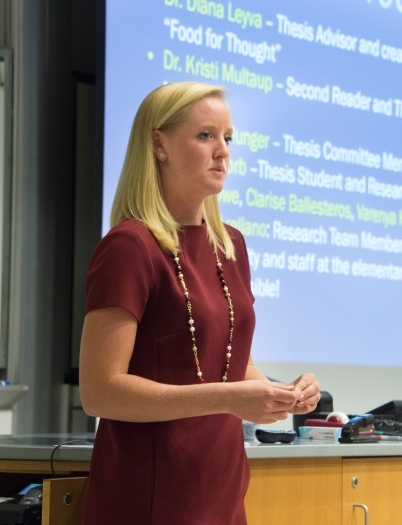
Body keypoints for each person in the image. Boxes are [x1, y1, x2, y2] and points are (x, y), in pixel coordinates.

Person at [79, 81, 321, 525]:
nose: (223, 151)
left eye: (227, 138)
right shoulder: (130, 246)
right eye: (206, 136)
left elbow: (230, 366)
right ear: (159, 145)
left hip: (221, 487)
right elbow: (99, 392)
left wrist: (281, 393)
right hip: (149, 495)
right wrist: (232, 397)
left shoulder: (231, 245)